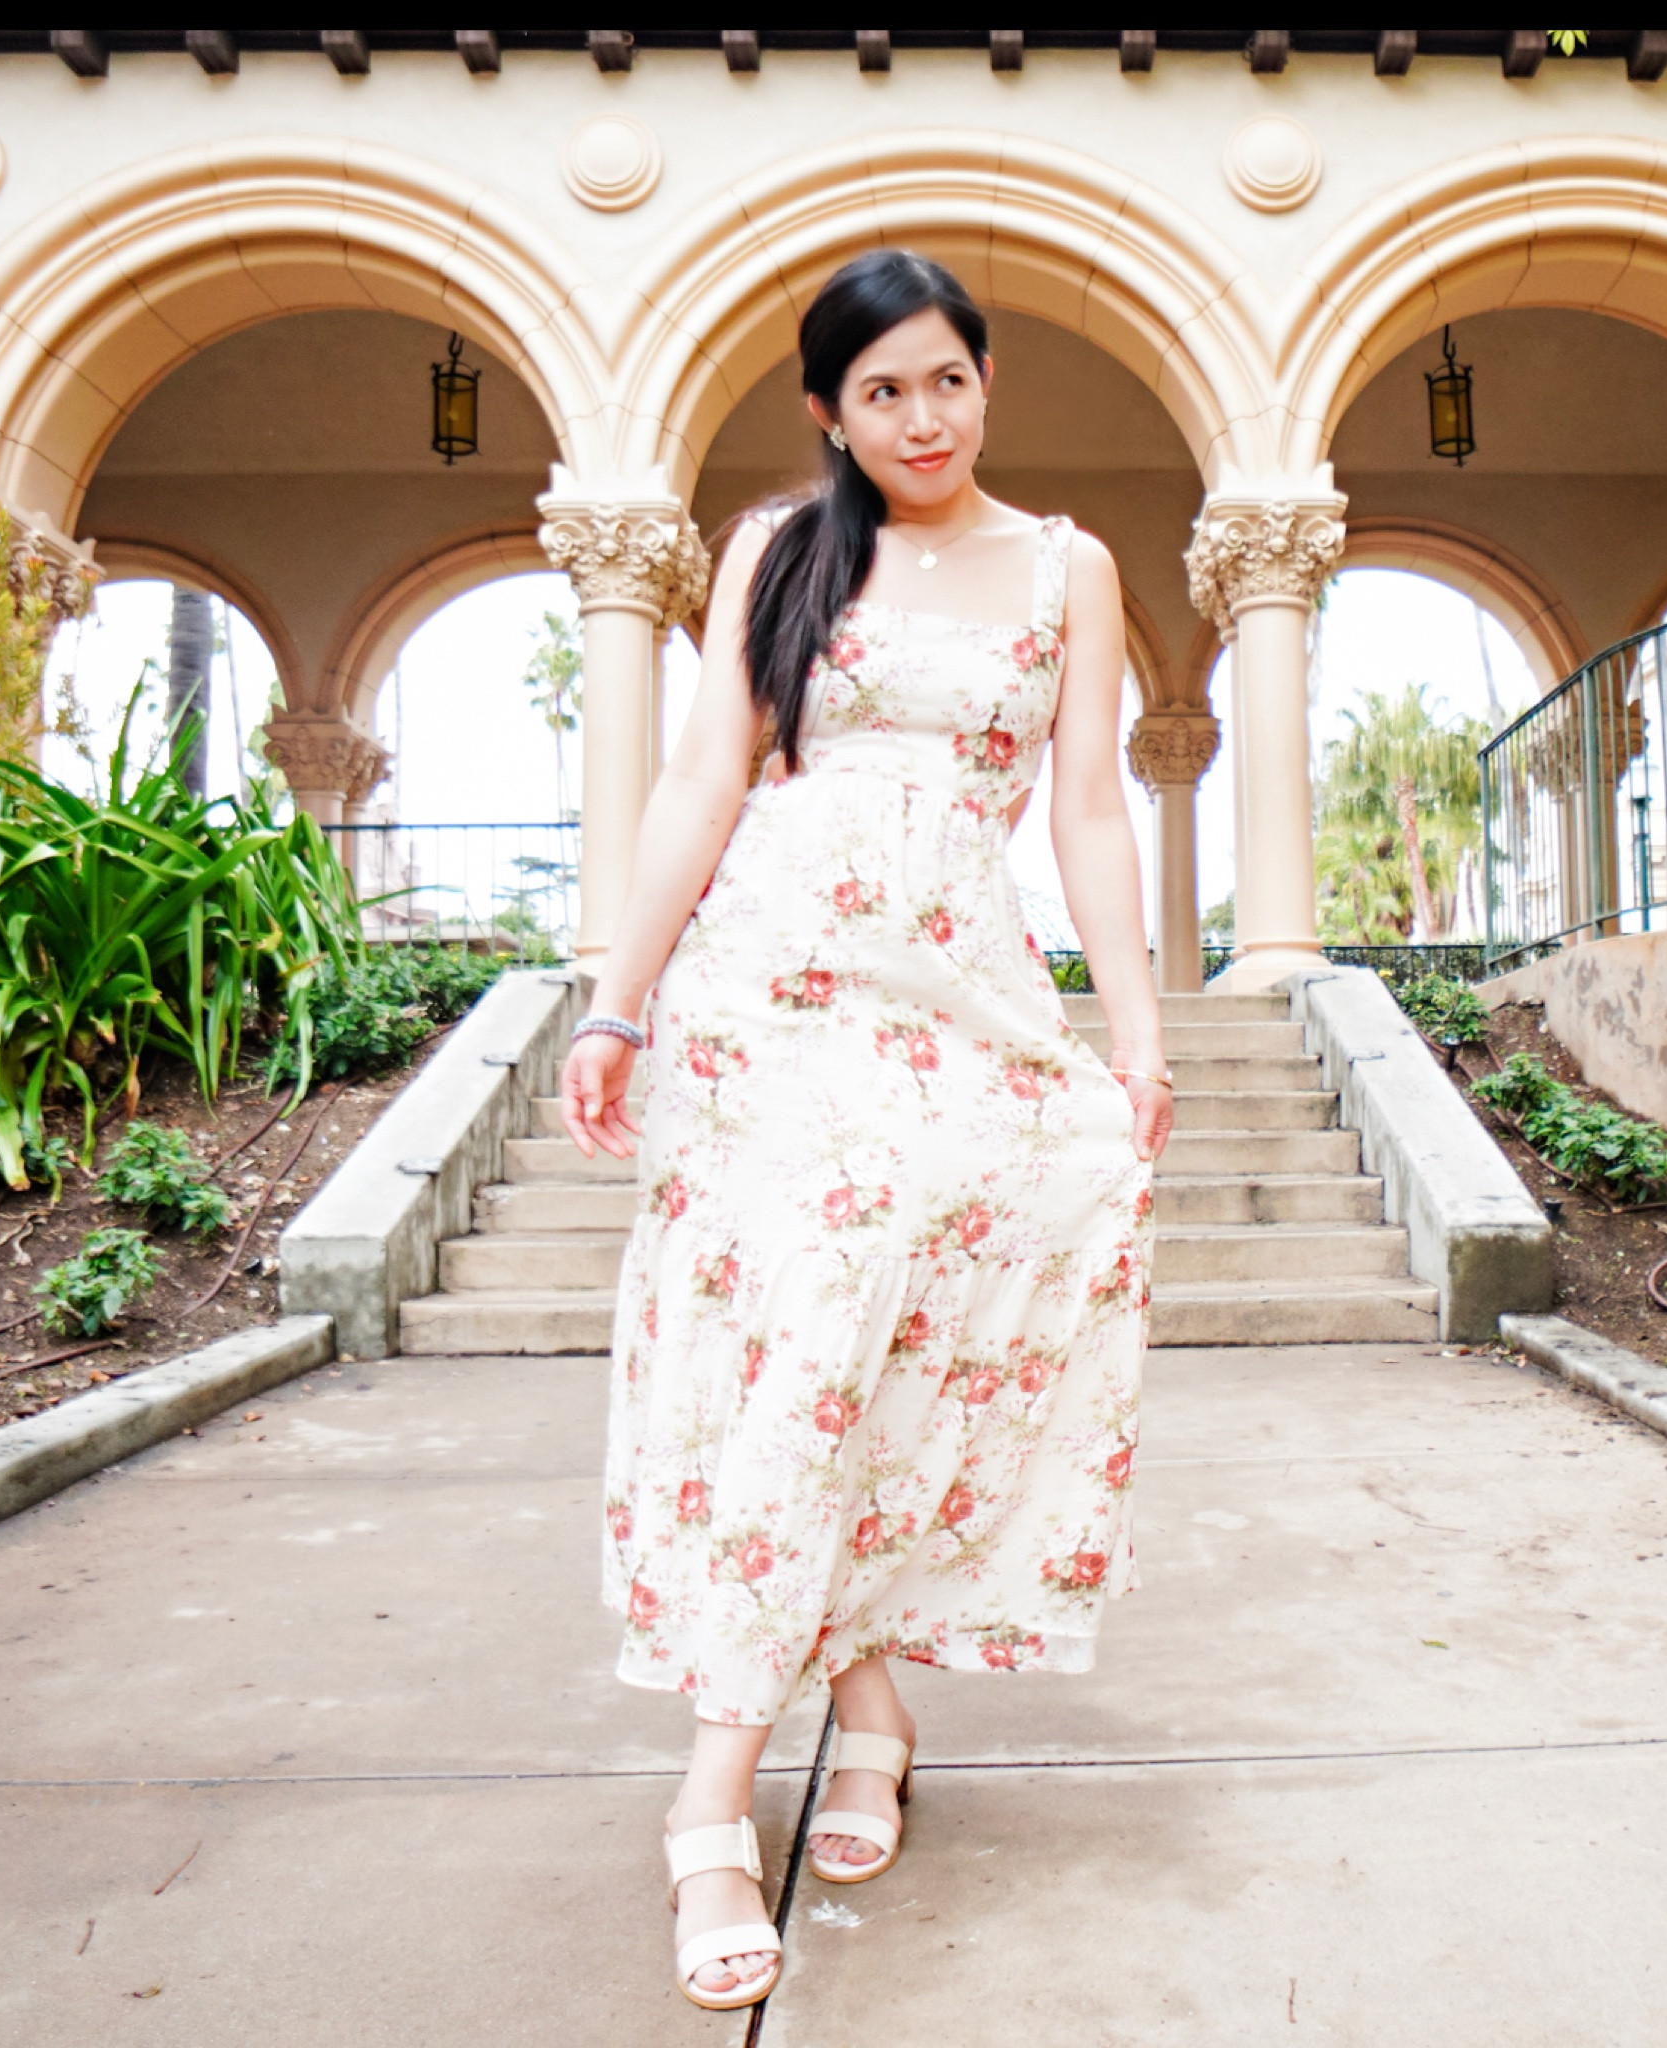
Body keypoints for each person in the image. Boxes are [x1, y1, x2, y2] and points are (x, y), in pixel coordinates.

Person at [560, 248, 1172, 2012]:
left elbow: (1088, 817)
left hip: (963, 992)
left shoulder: (1068, 568)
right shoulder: (778, 548)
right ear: (829, 409)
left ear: (988, 384)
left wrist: (1135, 1035)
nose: (921, 416)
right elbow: (700, 782)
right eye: (881, 389)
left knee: (917, 1340)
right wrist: (618, 997)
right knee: (804, 1333)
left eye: (947, 380)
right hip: (772, 989)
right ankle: (709, 1799)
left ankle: (874, 1696)